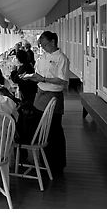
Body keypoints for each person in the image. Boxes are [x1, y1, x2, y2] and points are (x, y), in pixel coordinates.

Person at [24, 30, 70, 175]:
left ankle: (56, 164)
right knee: (41, 128)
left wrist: (43, 79)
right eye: (41, 45)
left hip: (52, 96)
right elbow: (39, 75)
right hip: (40, 95)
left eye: (44, 44)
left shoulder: (61, 58)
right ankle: (43, 162)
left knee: (54, 130)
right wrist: (30, 77)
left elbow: (62, 80)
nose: (42, 47)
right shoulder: (42, 57)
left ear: (53, 42)